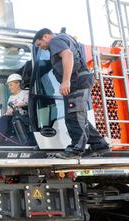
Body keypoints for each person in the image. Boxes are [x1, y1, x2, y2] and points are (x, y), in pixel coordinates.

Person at [33, 28, 110, 159]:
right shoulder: (64, 38)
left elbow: (67, 55)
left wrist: (66, 81)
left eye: (40, 44)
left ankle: (76, 149)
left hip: (76, 81)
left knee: (73, 115)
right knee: (78, 115)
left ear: (46, 37)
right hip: (79, 79)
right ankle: (99, 144)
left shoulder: (55, 41)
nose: (42, 48)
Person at [0, 74, 30, 148]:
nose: (9, 88)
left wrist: (16, 106)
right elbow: (9, 111)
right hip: (11, 117)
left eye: (11, 85)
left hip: (21, 118)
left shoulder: (26, 93)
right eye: (9, 85)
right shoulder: (11, 97)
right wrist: (4, 114)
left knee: (4, 118)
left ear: (18, 84)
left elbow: (28, 102)